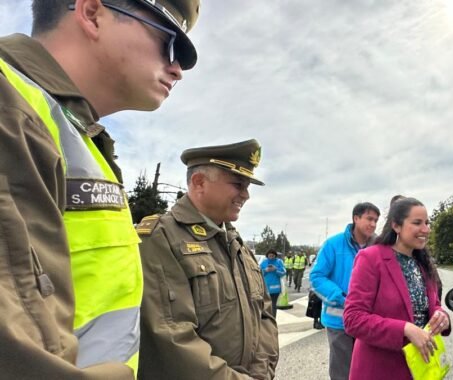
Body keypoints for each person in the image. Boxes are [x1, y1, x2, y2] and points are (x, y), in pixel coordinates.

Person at [0, 0, 200, 377]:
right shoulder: (11, 108)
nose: (177, 69)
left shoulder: (75, 134)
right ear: (92, 13)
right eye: (170, 44)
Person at [136, 140, 279, 379]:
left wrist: (261, 372)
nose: (246, 195)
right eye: (238, 184)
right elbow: (171, 336)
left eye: (247, 186)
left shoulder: (235, 242)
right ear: (199, 182)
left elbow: (264, 314)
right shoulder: (161, 237)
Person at [344, 197, 451, 380]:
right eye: (417, 223)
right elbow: (353, 319)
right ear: (396, 226)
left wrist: (441, 316)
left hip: (422, 369)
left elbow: (432, 304)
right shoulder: (370, 258)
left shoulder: (423, 263)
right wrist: (404, 329)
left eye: (427, 222)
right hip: (381, 370)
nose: (426, 229)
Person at [310, 202, 380, 380]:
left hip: (370, 320)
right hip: (339, 320)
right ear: (356, 218)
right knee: (342, 371)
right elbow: (317, 277)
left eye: (376, 220)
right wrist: (342, 297)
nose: (373, 224)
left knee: (369, 369)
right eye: (369, 219)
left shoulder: (379, 246)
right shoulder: (333, 244)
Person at [260, 249, 286, 317]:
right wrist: (265, 270)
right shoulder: (264, 262)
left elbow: (283, 273)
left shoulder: (279, 262)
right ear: (267, 256)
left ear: (275, 256)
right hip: (266, 287)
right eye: (270, 255)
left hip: (276, 288)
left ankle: (273, 318)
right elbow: (259, 273)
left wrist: (276, 269)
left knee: (273, 304)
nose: (271, 257)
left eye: (273, 255)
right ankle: (267, 318)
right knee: (266, 304)